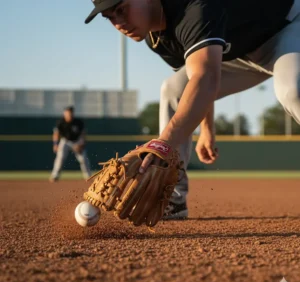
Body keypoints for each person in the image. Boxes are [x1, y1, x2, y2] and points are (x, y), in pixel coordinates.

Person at [85, 0, 300, 219]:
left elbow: (206, 78)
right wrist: (207, 129)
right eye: (110, 17)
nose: (119, 23)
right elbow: (195, 81)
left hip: (286, 28)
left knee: (292, 90)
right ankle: (174, 198)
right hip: (240, 54)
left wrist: (163, 143)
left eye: (121, 9)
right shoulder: (154, 36)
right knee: (173, 90)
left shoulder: (193, 7)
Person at [49, 106, 91, 182]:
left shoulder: (78, 122)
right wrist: (55, 144)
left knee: (83, 159)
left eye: (71, 113)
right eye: (67, 113)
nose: (69, 115)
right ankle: (55, 175)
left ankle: (88, 176)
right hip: (65, 141)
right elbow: (56, 133)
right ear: (64, 114)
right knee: (60, 157)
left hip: (77, 141)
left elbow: (83, 134)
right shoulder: (61, 122)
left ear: (73, 114)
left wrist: (82, 144)